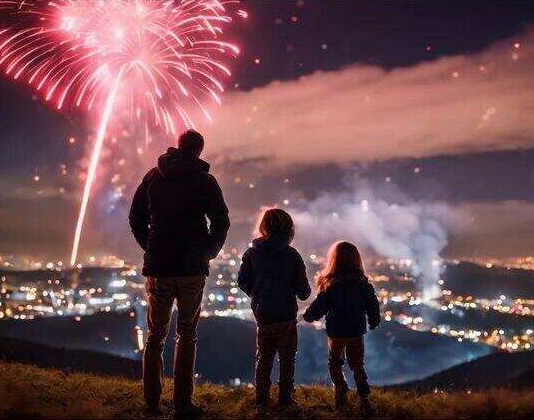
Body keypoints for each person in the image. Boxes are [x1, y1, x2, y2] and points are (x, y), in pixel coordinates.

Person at [129, 130, 230, 418]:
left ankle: (151, 402)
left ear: (177, 146)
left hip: (159, 267)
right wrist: (208, 251)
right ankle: (182, 404)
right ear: (199, 150)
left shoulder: (153, 176)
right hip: (191, 269)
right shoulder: (205, 181)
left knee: (154, 336)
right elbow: (222, 221)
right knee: (187, 335)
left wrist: (150, 246)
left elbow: (136, 218)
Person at [237, 208, 311, 408]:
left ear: (264, 227)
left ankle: (262, 399)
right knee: (287, 360)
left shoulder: (252, 254)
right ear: (289, 229)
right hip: (286, 316)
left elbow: (243, 282)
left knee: (263, 358)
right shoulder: (292, 256)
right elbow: (304, 292)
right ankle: (285, 399)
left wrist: (258, 293)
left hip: (264, 315)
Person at [303, 241, 381, 412]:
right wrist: (374, 321)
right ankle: (364, 395)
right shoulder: (363, 284)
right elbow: (373, 306)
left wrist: (308, 316)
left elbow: (319, 307)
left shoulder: (330, 285)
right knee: (357, 364)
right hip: (356, 331)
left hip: (336, 332)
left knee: (335, 364)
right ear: (356, 259)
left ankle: (341, 393)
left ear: (334, 260)